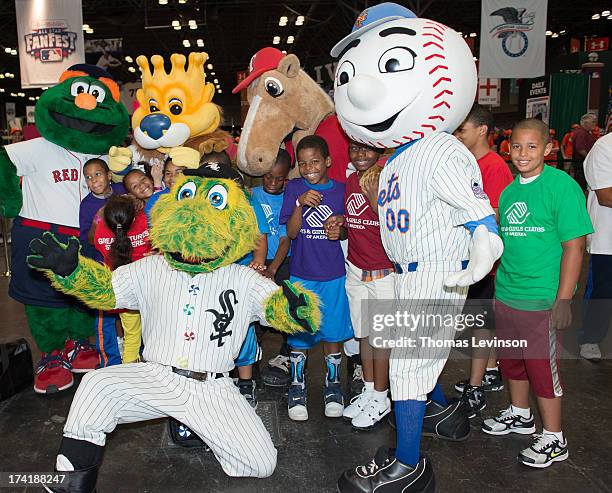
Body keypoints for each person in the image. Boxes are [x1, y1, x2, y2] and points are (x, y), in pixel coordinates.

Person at [483, 118, 593, 469]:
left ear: (547, 148)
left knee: (543, 370)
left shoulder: (561, 187)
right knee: (512, 362)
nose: (523, 153)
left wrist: (563, 299)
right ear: (508, 148)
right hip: (508, 294)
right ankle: (520, 414)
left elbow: (574, 248)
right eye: (516, 146)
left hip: (541, 298)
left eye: (532, 146)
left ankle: (554, 438)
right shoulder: (511, 191)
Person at [279, 135, 353, 421]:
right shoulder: (295, 188)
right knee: (300, 333)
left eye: (315, 161)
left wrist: (341, 229)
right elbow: (293, 233)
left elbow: (348, 231)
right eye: (303, 163)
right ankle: (296, 387)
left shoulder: (343, 190)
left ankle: (332, 385)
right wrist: (299, 203)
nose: (309, 167)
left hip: (334, 274)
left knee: (333, 333)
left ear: (328, 162)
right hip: (302, 275)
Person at [324, 140, 394, 429]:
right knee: (364, 335)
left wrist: (378, 199)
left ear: (379, 151)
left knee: (381, 340)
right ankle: (368, 389)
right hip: (356, 269)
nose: (360, 154)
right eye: (354, 149)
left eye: (366, 149)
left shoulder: (387, 180)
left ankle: (382, 395)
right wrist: (340, 221)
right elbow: (353, 224)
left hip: (383, 273)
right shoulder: (352, 180)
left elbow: (396, 226)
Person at [452, 104, 514, 417]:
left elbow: (494, 216)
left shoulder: (493, 166)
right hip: (463, 258)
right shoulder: (467, 163)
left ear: (482, 131)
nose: (458, 135)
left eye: (462, 129)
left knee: (479, 322)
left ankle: (477, 387)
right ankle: (487, 371)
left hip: (482, 260)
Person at [252, 150, 293, 388]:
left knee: (284, 310)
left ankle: (287, 355)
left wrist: (274, 269)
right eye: (268, 177)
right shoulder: (252, 194)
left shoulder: (289, 198)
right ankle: (251, 358)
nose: (273, 183)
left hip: (281, 262)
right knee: (255, 313)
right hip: (257, 261)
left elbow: (286, 239)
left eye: (279, 179)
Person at [79, 158, 126, 367]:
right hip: (103, 266)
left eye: (97, 174)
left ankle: (132, 349)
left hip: (128, 262)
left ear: (108, 175)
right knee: (105, 314)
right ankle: (109, 360)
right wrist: (99, 220)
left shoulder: (121, 190)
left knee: (130, 312)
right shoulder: (87, 205)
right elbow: (86, 241)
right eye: (88, 177)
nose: (93, 180)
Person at [580, 132, 612, 360]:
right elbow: (605, 195)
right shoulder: (604, 146)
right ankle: (590, 338)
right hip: (607, 238)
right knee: (603, 291)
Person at [571, 114, 598, 190]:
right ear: (585, 123)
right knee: (581, 185)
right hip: (581, 163)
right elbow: (580, 149)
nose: (595, 124)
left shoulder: (583, 132)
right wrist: (590, 159)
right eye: (592, 122)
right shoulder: (581, 133)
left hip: (581, 163)